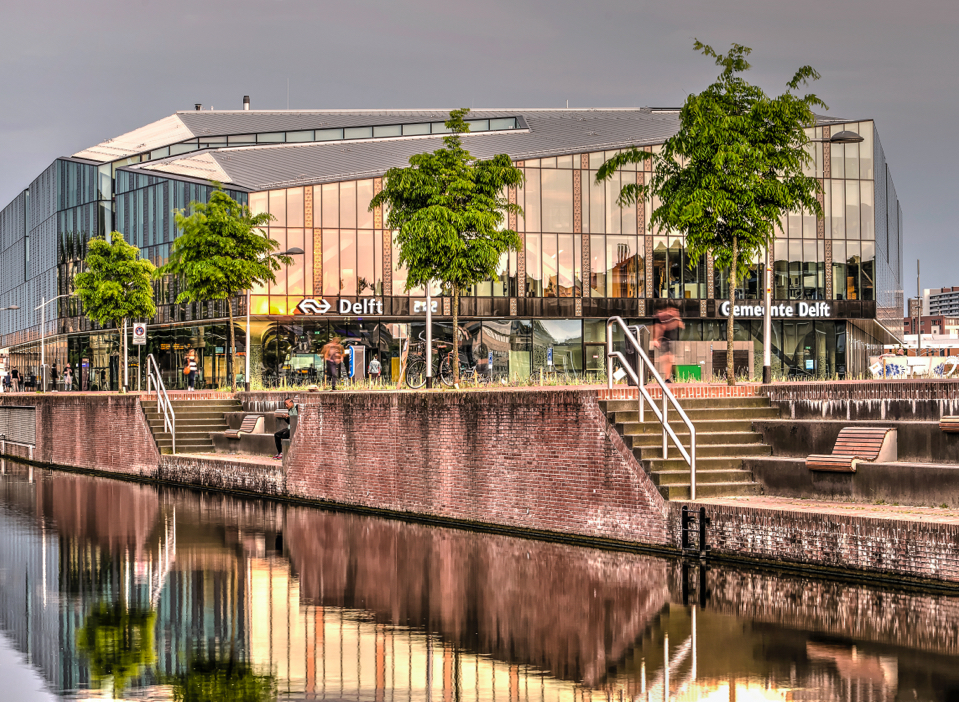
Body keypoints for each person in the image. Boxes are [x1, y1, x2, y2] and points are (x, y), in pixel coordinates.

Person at [651, 305, 684, 382]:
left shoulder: (673, 318)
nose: (676, 312)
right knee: (667, 358)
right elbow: (659, 328)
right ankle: (665, 377)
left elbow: (681, 325)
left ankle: (667, 378)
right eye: (674, 310)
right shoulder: (662, 317)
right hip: (664, 341)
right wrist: (655, 339)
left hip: (669, 341)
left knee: (670, 359)